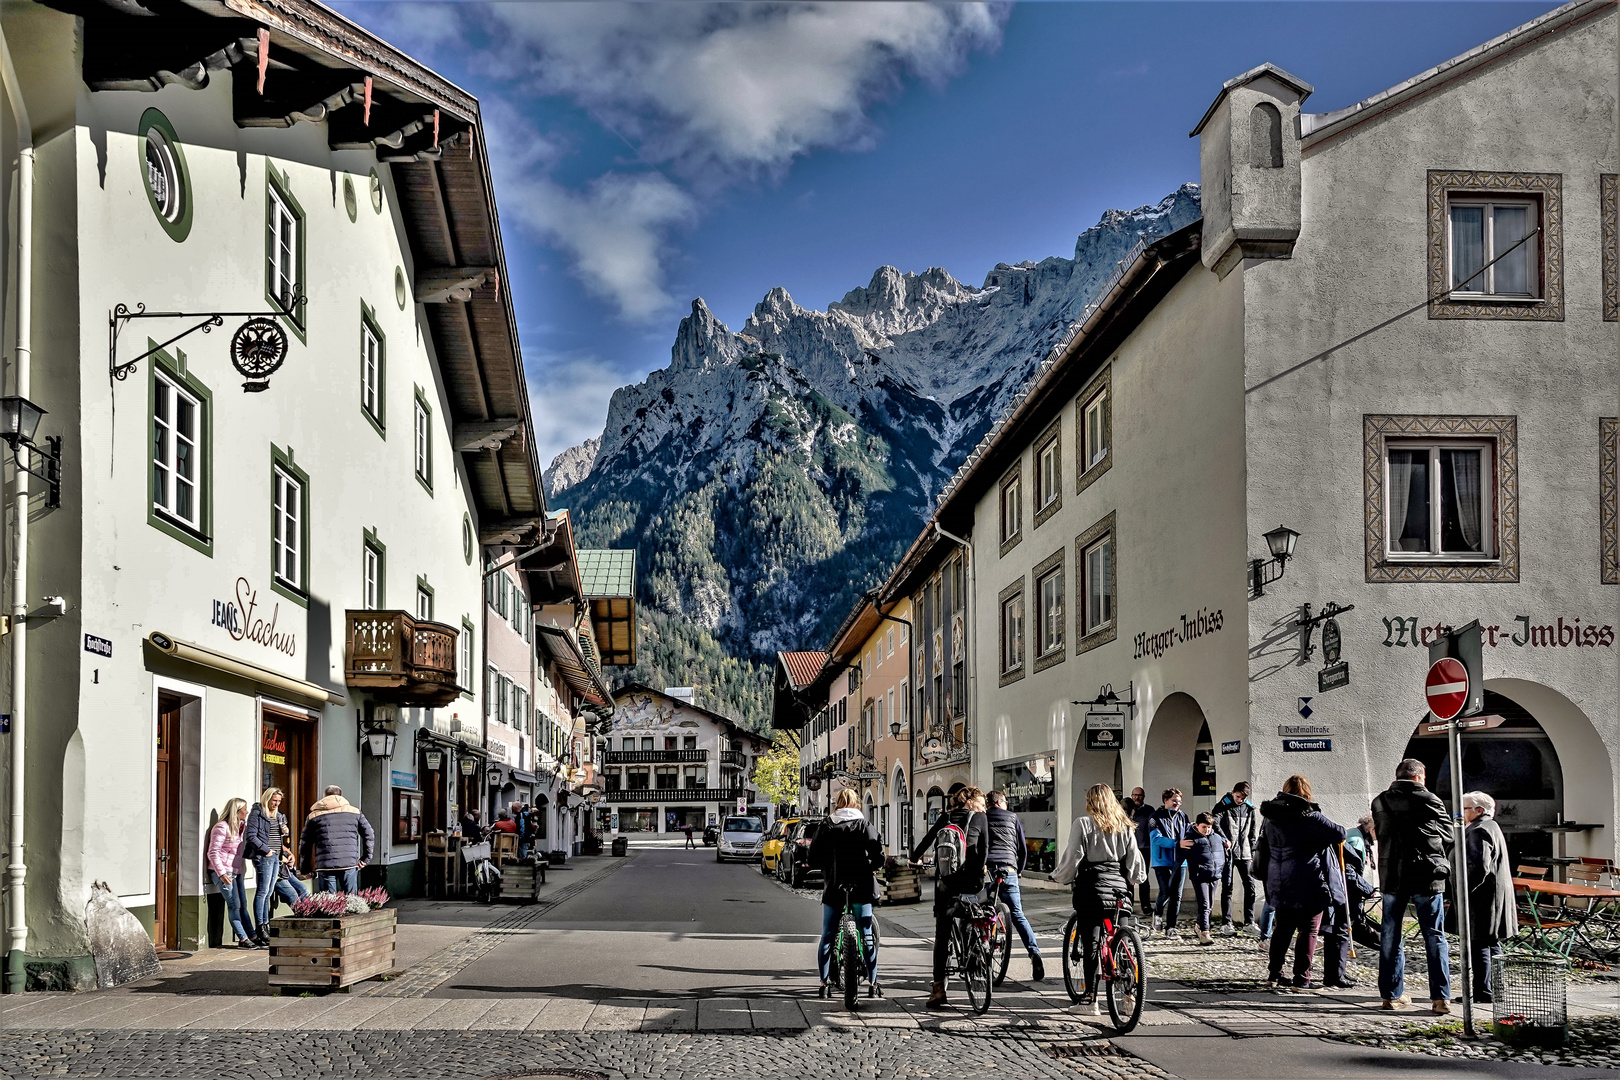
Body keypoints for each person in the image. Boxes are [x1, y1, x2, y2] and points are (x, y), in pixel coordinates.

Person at [1052, 784, 1147, 1014]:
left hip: (1092, 889)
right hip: (1118, 890)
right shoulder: (1124, 825)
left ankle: (1090, 1000)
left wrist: (1059, 876)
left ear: (1090, 801)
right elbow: (1134, 859)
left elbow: (1073, 856)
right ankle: (1128, 998)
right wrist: (1136, 878)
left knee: (1092, 943)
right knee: (1122, 944)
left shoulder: (1083, 824)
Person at [1371, 759, 1453, 1014]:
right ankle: (1440, 998)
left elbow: (1381, 834)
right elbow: (1449, 834)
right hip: (1425, 876)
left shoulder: (1380, 801)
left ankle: (1391, 996)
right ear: (1419, 777)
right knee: (1434, 935)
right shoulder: (1429, 799)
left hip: (1392, 875)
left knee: (1390, 935)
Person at [1256, 774, 1347, 992]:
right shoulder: (1308, 815)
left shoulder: (1270, 816)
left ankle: (1274, 974)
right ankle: (1301, 979)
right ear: (1305, 792)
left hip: (1278, 879)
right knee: (1308, 930)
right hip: (1307, 880)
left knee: (1282, 929)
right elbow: (1339, 833)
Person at [911, 786, 989, 1009]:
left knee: (942, 933)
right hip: (973, 882)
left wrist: (914, 858)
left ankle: (937, 990)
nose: (983, 807)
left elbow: (927, 841)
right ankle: (976, 963)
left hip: (947, 883)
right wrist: (981, 868)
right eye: (981, 802)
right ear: (971, 802)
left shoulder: (945, 818)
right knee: (974, 916)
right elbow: (985, 849)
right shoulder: (980, 819)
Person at [809, 788, 885, 999]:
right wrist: (874, 866)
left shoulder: (826, 825)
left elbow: (813, 855)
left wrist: (824, 865)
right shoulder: (863, 825)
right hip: (861, 885)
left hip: (835, 885)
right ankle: (872, 983)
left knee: (827, 937)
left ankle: (824, 984)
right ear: (856, 804)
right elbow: (878, 852)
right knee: (867, 936)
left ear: (837, 803)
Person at [1460, 791, 1517, 1004]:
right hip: (1493, 895)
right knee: (1491, 944)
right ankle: (1494, 989)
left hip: (1483, 897)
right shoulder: (1491, 826)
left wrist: (1463, 891)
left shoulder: (1479, 830)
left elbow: (1479, 867)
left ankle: (1483, 991)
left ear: (1479, 811)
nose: (1460, 813)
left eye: (1464, 808)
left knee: (1480, 943)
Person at [985, 790, 1044, 981]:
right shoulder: (1013, 817)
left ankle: (981, 953)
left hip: (989, 870)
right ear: (1001, 802)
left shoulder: (983, 817)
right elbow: (1022, 847)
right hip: (1009, 869)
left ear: (988, 803)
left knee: (983, 910)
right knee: (1017, 914)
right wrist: (1019, 868)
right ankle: (1034, 953)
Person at [300, 785, 375, 894]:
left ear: (324, 796)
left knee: (329, 905)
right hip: (349, 862)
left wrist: (305, 869)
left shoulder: (314, 816)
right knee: (352, 902)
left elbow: (305, 843)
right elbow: (369, 834)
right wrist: (366, 858)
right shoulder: (355, 812)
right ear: (340, 796)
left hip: (325, 865)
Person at [206, 798, 258, 948]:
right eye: (244, 809)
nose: (247, 812)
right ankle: (243, 939)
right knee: (234, 905)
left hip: (237, 871)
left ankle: (252, 936)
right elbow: (213, 852)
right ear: (237, 811)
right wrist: (221, 873)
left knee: (242, 904)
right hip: (224, 872)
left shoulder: (242, 826)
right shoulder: (221, 828)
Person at [242, 787, 291, 945]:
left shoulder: (279, 815)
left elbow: (279, 835)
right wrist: (266, 850)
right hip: (265, 856)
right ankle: (261, 928)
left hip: (276, 856)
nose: (276, 804)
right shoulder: (257, 813)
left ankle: (266, 926)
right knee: (262, 892)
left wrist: (284, 831)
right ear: (267, 798)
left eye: (278, 801)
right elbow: (251, 836)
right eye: (274, 800)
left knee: (269, 892)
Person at [1213, 782, 1259, 934]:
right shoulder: (1223, 805)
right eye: (1238, 796)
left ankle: (1249, 922)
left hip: (1245, 853)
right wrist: (1224, 839)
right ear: (1233, 792)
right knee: (1227, 886)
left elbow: (1252, 831)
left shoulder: (1249, 808)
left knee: (1250, 886)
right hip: (1228, 852)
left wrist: (1253, 852)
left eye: (1243, 798)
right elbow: (1215, 823)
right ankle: (1227, 923)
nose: (1240, 800)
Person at [1178, 812, 1226, 945]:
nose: (1207, 830)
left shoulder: (1217, 837)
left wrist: (1221, 868)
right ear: (1197, 825)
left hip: (1214, 875)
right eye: (1204, 827)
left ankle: (1199, 925)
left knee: (1209, 905)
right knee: (1204, 904)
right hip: (1199, 876)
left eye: (1209, 827)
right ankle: (1205, 932)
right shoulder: (1191, 839)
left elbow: (1222, 854)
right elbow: (1181, 855)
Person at [1149, 789, 1189, 937]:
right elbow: (1156, 839)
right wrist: (1177, 843)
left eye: (1179, 801)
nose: (1177, 803)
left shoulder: (1183, 816)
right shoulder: (1155, 817)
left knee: (1177, 895)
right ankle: (1158, 913)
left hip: (1180, 861)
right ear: (1165, 800)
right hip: (1162, 860)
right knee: (1165, 890)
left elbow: (1188, 834)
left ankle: (1171, 927)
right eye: (1174, 800)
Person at [1125, 787, 1155, 915]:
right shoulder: (1126, 810)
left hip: (1144, 848)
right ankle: (1128, 904)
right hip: (1128, 848)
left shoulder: (1149, 810)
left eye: (1140, 795)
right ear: (1131, 796)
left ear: (1144, 796)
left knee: (1143, 876)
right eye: (1135, 795)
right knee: (1128, 876)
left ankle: (1146, 905)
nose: (1137, 798)